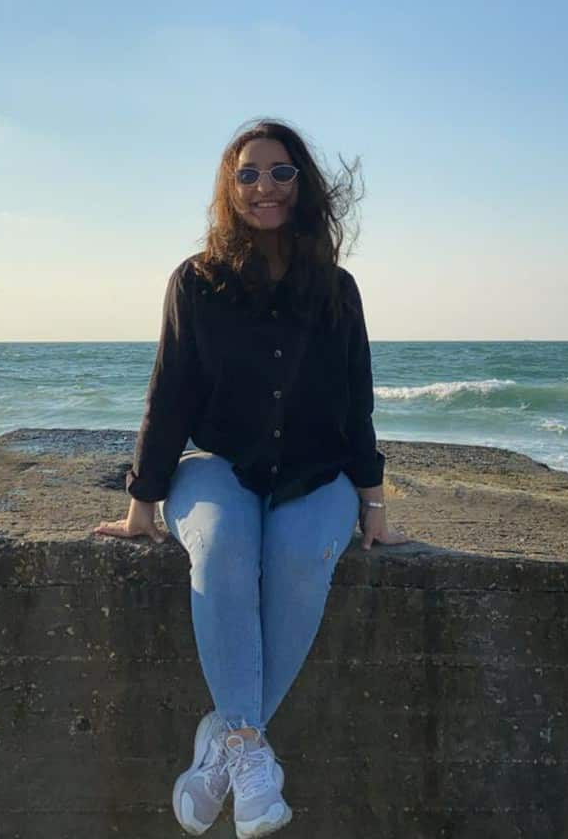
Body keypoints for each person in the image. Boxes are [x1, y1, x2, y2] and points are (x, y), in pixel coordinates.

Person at [94, 118, 408, 838]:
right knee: (226, 547)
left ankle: (226, 746)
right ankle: (247, 750)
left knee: (301, 557)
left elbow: (354, 400)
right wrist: (143, 503)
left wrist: (373, 502)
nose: (264, 187)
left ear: (303, 185)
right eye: (248, 174)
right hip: (218, 469)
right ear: (228, 189)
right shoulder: (196, 281)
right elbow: (169, 392)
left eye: (280, 172)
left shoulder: (336, 289)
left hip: (316, 473)